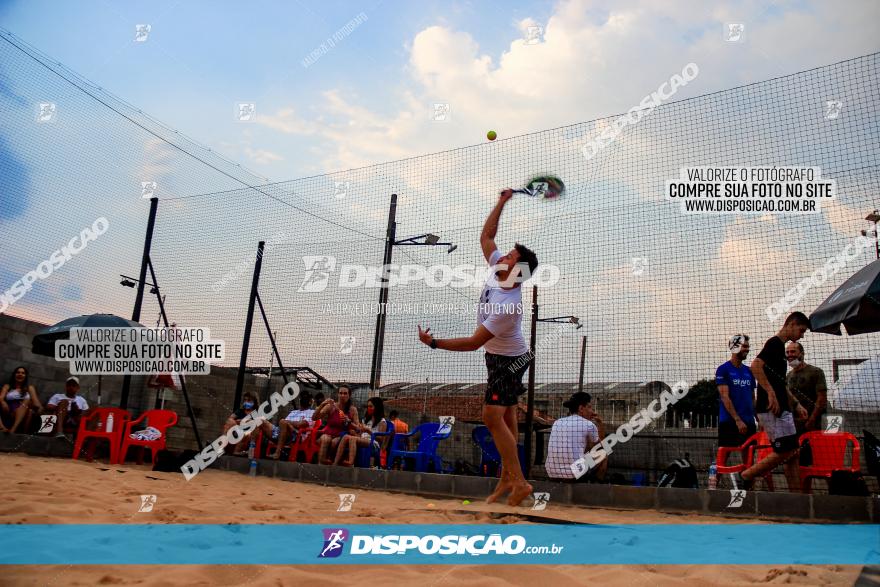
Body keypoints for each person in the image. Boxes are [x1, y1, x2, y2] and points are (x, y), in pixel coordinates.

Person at [417, 189, 538, 506]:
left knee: (491, 416)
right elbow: (486, 235)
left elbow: (473, 343)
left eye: (511, 256)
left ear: (519, 270)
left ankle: (521, 483)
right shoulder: (498, 268)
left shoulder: (509, 305)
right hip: (498, 356)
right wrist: (502, 201)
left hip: (509, 361)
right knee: (507, 419)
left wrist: (434, 343)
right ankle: (508, 483)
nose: (504, 256)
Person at [738, 312, 811, 492]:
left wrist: (796, 404)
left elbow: (780, 383)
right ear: (792, 324)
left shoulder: (780, 349)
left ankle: (796, 497)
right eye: (801, 330)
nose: (801, 335)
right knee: (785, 450)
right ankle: (747, 474)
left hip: (782, 407)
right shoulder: (774, 343)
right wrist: (770, 393)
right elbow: (755, 366)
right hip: (772, 408)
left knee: (793, 453)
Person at [544, 392, 607, 482]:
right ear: (581, 408)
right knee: (604, 454)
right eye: (589, 407)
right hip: (573, 474)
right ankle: (595, 486)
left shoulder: (557, 422)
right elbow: (601, 446)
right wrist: (600, 423)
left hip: (551, 472)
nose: (592, 411)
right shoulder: (589, 424)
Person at [716, 334, 757, 449]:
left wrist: (759, 419)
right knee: (724, 454)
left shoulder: (749, 371)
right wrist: (737, 420)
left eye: (748, 346)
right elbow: (725, 397)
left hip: (749, 421)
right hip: (729, 421)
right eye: (744, 346)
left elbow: (753, 398)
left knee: (749, 455)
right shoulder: (723, 369)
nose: (747, 349)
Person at [785, 342, 828, 433]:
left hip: (814, 423)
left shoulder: (816, 372)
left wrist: (812, 420)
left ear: (802, 353)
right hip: (795, 424)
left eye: (793, 352)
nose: (789, 355)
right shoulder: (789, 375)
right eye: (787, 352)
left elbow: (822, 398)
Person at [313, 385, 359, 465]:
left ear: (349, 395)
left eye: (345, 393)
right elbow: (314, 418)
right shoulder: (331, 406)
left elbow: (357, 428)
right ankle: (321, 462)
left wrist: (348, 421)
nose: (342, 395)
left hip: (342, 435)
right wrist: (322, 405)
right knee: (326, 439)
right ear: (338, 394)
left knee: (334, 442)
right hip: (328, 432)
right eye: (340, 393)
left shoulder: (352, 410)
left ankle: (331, 459)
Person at [337, 397, 389, 467]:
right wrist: (355, 432)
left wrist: (368, 431)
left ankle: (350, 462)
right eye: (368, 406)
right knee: (346, 436)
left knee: (352, 439)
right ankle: (336, 461)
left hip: (373, 444)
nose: (368, 408)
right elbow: (360, 433)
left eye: (371, 406)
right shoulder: (365, 420)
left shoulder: (382, 422)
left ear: (377, 407)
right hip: (362, 440)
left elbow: (381, 439)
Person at [269, 391, 313, 460]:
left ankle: (277, 453)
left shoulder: (312, 412)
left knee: (283, 421)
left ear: (310, 401)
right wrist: (287, 424)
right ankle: (251, 449)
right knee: (261, 420)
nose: (304, 399)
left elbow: (300, 424)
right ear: (300, 399)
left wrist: (287, 423)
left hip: (296, 436)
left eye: (307, 398)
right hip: (282, 433)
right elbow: (283, 425)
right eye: (303, 397)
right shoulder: (294, 412)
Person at [1, 366, 43, 433]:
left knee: (27, 401)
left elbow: (37, 403)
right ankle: (2, 427)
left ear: (25, 376)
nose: (20, 374)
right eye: (18, 372)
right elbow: (1, 397)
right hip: (10, 410)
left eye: (23, 373)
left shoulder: (29, 388)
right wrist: (3, 402)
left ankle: (13, 429)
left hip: (25, 410)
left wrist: (39, 409)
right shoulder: (8, 386)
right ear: (14, 374)